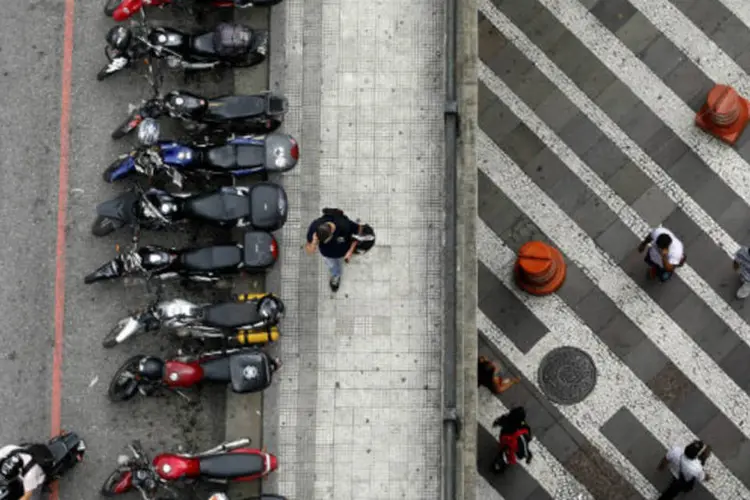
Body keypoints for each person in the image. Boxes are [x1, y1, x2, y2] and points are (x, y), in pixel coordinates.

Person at [305, 208, 363, 292]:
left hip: (344, 251)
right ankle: (336, 275)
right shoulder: (315, 226)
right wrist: (314, 242)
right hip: (328, 255)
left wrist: (350, 251)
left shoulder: (344, 225)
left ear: (332, 232)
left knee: (352, 229)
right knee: (333, 266)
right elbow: (309, 251)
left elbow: (359, 231)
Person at [491, 407, 533, 474]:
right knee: (506, 453)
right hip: (509, 442)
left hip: (508, 443)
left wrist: (497, 423)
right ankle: (501, 463)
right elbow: (525, 444)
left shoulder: (508, 420)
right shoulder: (522, 427)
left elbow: (500, 421)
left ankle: (500, 464)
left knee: (504, 453)